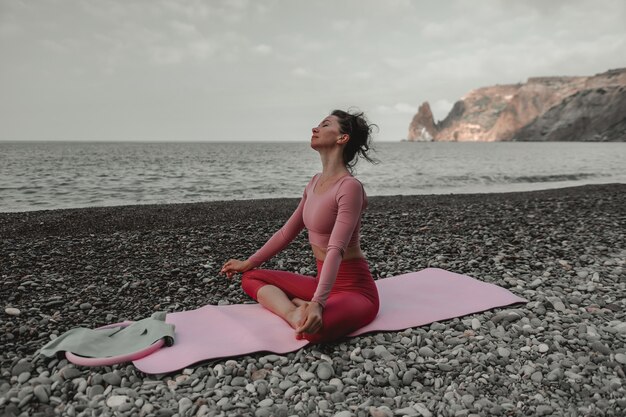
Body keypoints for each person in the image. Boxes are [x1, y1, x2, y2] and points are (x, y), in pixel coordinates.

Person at [220, 109, 379, 343]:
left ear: (342, 138)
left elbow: (336, 248)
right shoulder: (314, 182)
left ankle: (304, 307)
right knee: (250, 278)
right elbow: (286, 232)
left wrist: (317, 303)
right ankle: (293, 312)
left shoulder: (349, 187)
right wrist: (249, 262)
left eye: (325, 125)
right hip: (321, 281)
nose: (315, 129)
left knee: (314, 331)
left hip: (354, 289)